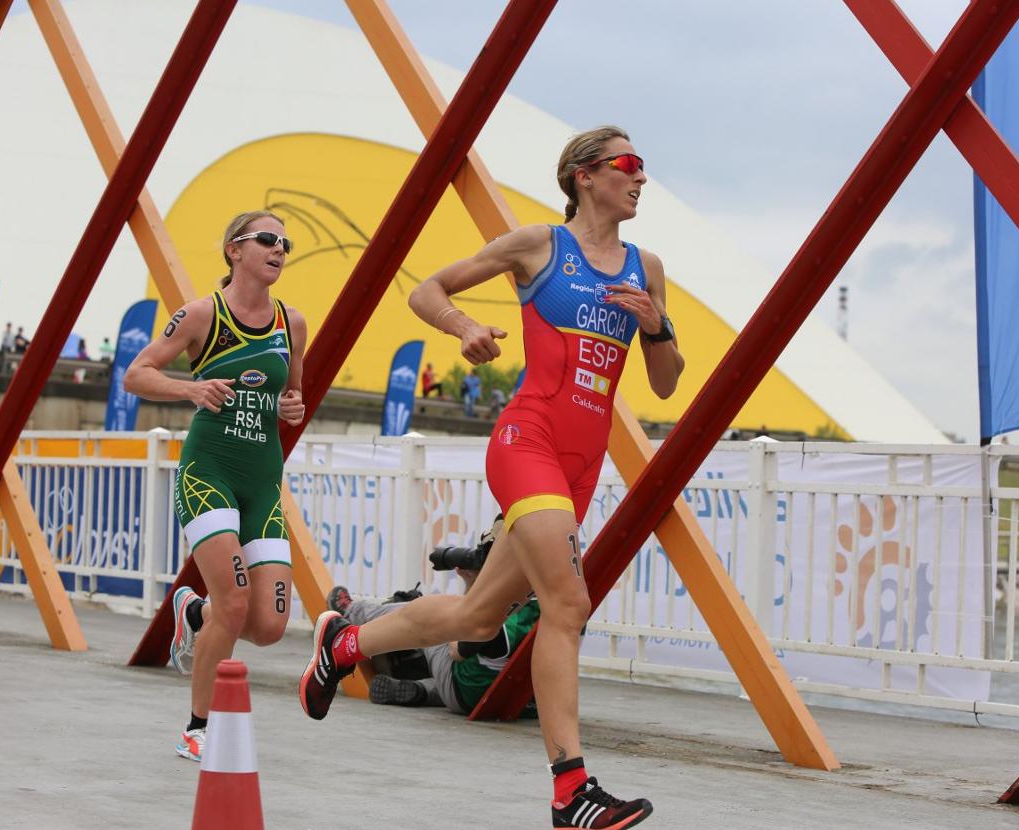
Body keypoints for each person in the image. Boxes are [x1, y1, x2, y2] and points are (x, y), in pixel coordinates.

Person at [299, 126, 683, 829]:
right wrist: (462, 327)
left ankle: (344, 644)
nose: (641, 179)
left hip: (580, 464)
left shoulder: (645, 267)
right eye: (629, 164)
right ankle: (572, 791)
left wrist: (657, 327)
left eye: (642, 167)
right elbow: (428, 288)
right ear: (583, 175)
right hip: (527, 439)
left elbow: (665, 383)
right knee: (567, 605)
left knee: (478, 617)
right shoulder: (539, 245)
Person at [124, 210, 308, 762]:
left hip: (262, 482)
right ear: (235, 249)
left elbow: (292, 397)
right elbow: (137, 373)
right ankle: (196, 728)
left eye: (286, 243)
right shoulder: (203, 313)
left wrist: (292, 407)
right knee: (233, 600)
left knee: (270, 625)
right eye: (269, 240)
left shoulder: (291, 322)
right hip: (210, 473)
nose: (280, 249)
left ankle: (193, 613)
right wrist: (191, 389)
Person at [326, 518, 541, 716]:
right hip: (518, 699)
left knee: (422, 613)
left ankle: (353, 610)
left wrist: (473, 585)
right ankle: (423, 690)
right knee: (477, 662)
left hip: (464, 691)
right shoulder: (549, 603)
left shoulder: (500, 614)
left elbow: (457, 649)